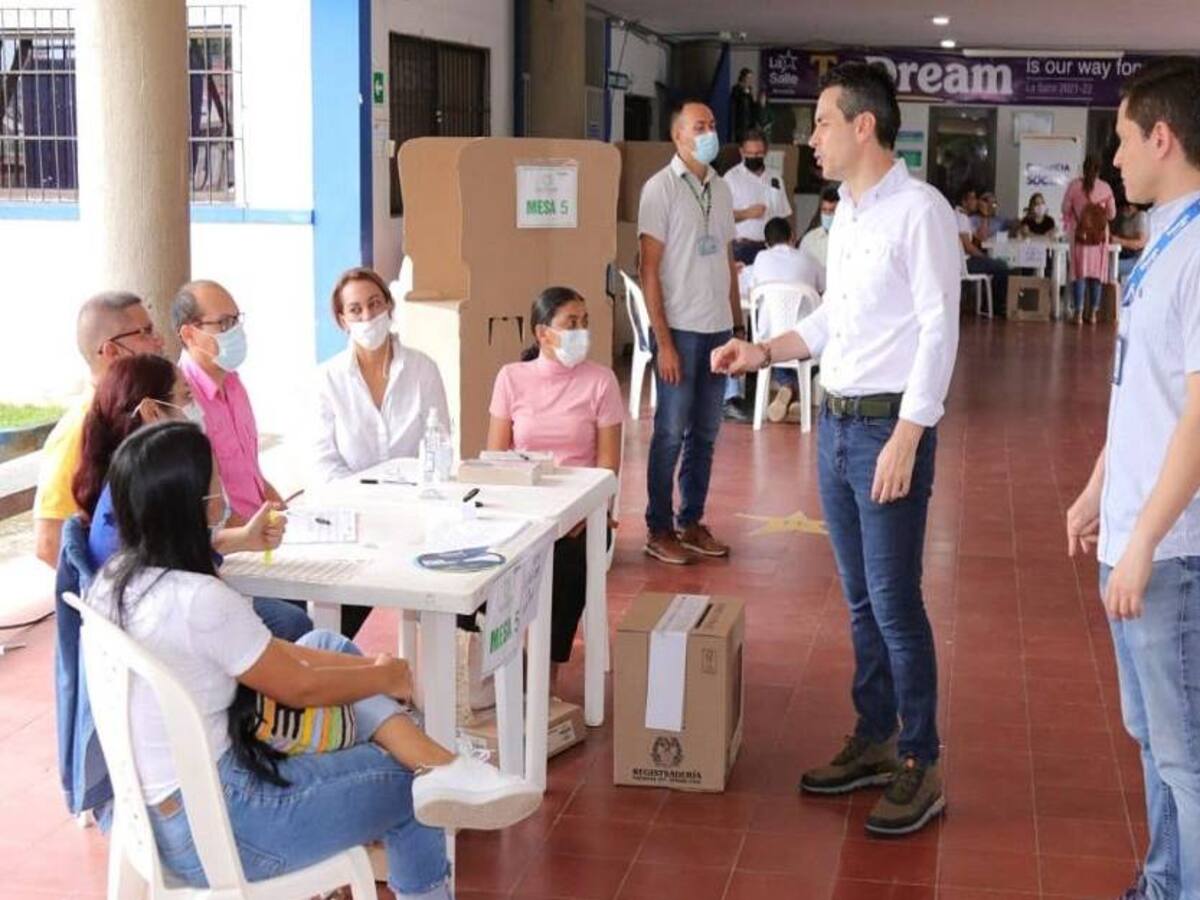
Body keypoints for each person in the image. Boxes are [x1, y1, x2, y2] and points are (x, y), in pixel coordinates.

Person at [84, 421, 541, 896]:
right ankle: (435, 773)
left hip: (155, 816)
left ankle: (442, 765)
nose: (221, 500)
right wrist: (383, 675)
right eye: (214, 488)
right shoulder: (199, 601)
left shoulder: (116, 580)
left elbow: (285, 660)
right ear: (190, 507)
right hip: (226, 826)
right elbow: (297, 687)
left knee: (326, 645)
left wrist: (373, 673)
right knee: (411, 793)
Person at [713, 60, 959, 836]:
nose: (809, 137)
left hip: (889, 427)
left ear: (864, 126)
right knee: (859, 600)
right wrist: (765, 352)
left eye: (821, 121)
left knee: (894, 602)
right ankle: (876, 739)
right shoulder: (846, 214)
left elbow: (938, 327)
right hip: (837, 422)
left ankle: (921, 761)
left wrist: (911, 436)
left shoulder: (920, 212)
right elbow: (831, 324)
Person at [1065, 57, 1200, 900]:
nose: (1113, 160)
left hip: (1173, 551)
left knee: (1187, 752)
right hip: (1133, 534)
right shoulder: (1161, 242)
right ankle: (1162, 883)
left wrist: (1147, 536)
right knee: (1153, 735)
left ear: (1163, 136)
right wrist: (1096, 493)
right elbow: (1140, 396)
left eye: (1121, 139)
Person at [73, 353, 311, 640]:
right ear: (152, 411)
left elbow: (170, 546)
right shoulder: (150, 489)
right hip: (163, 629)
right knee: (293, 622)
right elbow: (179, 573)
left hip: (158, 615)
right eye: (187, 396)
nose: (196, 408)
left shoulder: (131, 479)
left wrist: (244, 538)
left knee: (293, 613)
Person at [481, 287, 623, 693]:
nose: (581, 331)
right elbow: (496, 459)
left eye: (585, 322)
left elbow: (608, 467)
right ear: (543, 333)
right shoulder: (511, 378)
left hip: (581, 514)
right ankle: (491, 661)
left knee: (569, 561)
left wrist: (588, 511)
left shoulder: (601, 381)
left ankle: (544, 673)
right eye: (570, 323)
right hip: (522, 509)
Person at [638, 100, 742, 565]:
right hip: (679, 331)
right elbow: (649, 269)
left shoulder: (721, 189)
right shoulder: (659, 189)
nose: (709, 133)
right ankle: (659, 528)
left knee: (706, 433)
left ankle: (691, 520)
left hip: (719, 329)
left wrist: (737, 325)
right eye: (700, 126)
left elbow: (727, 260)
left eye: (713, 126)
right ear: (678, 136)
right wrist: (663, 342)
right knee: (669, 433)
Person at [33, 291, 164, 567]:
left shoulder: (132, 414)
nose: (159, 341)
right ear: (111, 351)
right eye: (146, 333)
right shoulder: (78, 428)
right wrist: (112, 593)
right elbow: (48, 542)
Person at [312, 266, 448, 481]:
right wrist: (367, 496)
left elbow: (438, 445)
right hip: (351, 502)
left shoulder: (423, 369)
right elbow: (323, 461)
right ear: (342, 320)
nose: (367, 316)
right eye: (355, 309)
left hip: (414, 499)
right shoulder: (328, 379)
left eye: (374, 304)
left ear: (389, 306)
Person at [1062, 154, 1117, 324]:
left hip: (1081, 237)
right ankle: (1093, 314)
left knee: (1080, 274)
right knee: (1096, 276)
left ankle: (1078, 314)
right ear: (1099, 169)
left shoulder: (1074, 186)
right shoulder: (1106, 188)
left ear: (1083, 168)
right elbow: (1112, 214)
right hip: (1099, 239)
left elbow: (1065, 209)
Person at [726, 129, 792, 266]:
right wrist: (746, 213)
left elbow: (784, 214)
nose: (754, 157)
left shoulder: (775, 178)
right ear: (742, 152)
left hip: (772, 249)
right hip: (743, 248)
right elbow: (720, 216)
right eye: (749, 154)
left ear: (766, 152)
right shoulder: (731, 178)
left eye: (758, 153)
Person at [955, 186, 1010, 315]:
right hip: (964, 263)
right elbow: (968, 247)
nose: (976, 202)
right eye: (973, 199)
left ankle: (990, 303)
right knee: (1002, 267)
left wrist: (985, 215)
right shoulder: (961, 218)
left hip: (961, 261)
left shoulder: (962, 217)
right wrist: (984, 257)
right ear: (964, 202)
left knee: (996, 265)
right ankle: (995, 306)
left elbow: (981, 238)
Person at [799, 184, 840, 274]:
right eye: (824, 210)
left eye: (832, 210)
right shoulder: (809, 239)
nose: (827, 215)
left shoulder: (850, 238)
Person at [1111, 195, 1150, 280]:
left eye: (1130, 205)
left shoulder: (1141, 216)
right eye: (1124, 206)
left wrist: (1118, 240)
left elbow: (1140, 243)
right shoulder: (1125, 218)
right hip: (1125, 254)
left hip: (1138, 260)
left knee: (1109, 267)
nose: (1127, 208)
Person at [730, 68, 759, 144]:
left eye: (751, 78)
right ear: (743, 78)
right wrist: (744, 92)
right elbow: (735, 104)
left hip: (749, 123)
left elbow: (752, 106)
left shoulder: (750, 90)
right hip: (740, 123)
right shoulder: (736, 89)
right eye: (748, 78)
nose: (750, 80)